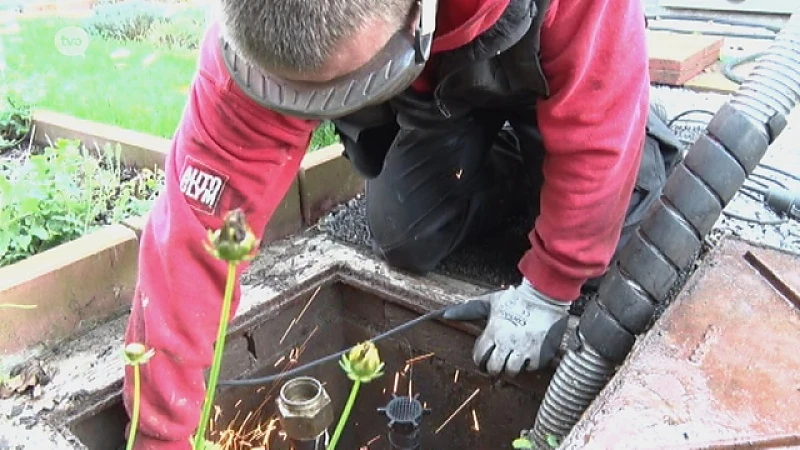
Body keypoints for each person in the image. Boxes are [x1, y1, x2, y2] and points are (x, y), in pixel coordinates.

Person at [122, 0, 681, 447]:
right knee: (407, 235)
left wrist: (553, 283)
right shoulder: (244, 52)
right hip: (442, 80)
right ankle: (519, 169)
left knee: (615, 228)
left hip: (545, 54)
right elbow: (193, 235)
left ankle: (586, 159)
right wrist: (159, 435)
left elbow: (600, 116)